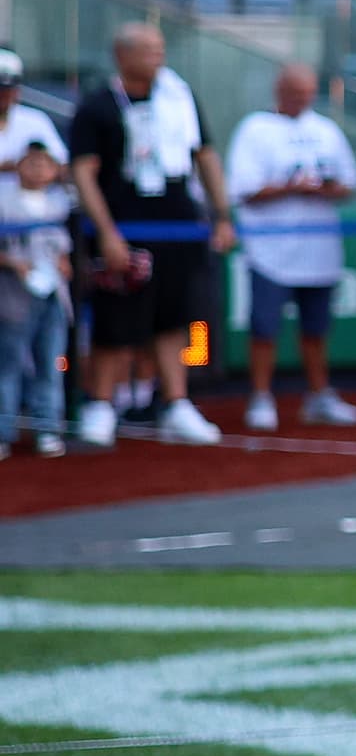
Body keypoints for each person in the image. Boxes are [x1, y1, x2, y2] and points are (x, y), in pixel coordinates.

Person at [67, 22, 232, 445]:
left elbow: (205, 156)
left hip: (176, 224)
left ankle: (176, 403)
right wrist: (107, 232)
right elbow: (84, 173)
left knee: (173, 318)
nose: (158, 57)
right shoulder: (98, 106)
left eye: (160, 49)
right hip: (124, 224)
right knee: (115, 318)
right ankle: (101, 405)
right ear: (122, 55)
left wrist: (221, 214)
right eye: (147, 50)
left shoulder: (180, 98)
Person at [226, 60, 356, 430]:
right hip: (269, 249)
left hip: (318, 249)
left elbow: (349, 182)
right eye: (295, 92)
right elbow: (243, 190)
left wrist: (325, 187)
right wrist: (291, 186)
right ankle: (260, 396)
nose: (302, 99)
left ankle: (319, 395)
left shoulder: (326, 129)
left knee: (316, 329)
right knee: (264, 328)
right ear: (279, 91)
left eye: (307, 93)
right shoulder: (254, 129)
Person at [0, 53, 68, 452]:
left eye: (9, 88)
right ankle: (4, 430)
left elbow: (59, 169)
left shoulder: (34, 122)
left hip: (43, 262)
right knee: (7, 357)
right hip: (8, 261)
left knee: (48, 356)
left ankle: (47, 427)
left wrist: (29, 166)